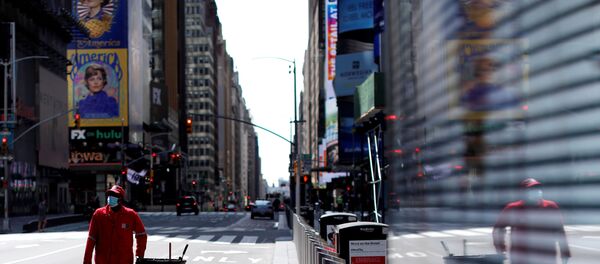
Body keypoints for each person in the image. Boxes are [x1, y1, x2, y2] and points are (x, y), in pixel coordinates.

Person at [492, 178, 571, 264]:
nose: (537, 191)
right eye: (532, 189)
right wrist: (501, 250)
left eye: (538, 188)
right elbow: (498, 229)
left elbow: (560, 231)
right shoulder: (513, 208)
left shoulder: (551, 207)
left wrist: (565, 254)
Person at [83, 185, 147, 264]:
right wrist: (87, 260)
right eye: (109, 195)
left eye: (114, 195)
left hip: (124, 261)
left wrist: (139, 255)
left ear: (120, 199)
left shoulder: (131, 215)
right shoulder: (98, 214)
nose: (110, 197)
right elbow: (91, 239)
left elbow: (141, 235)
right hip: (103, 261)